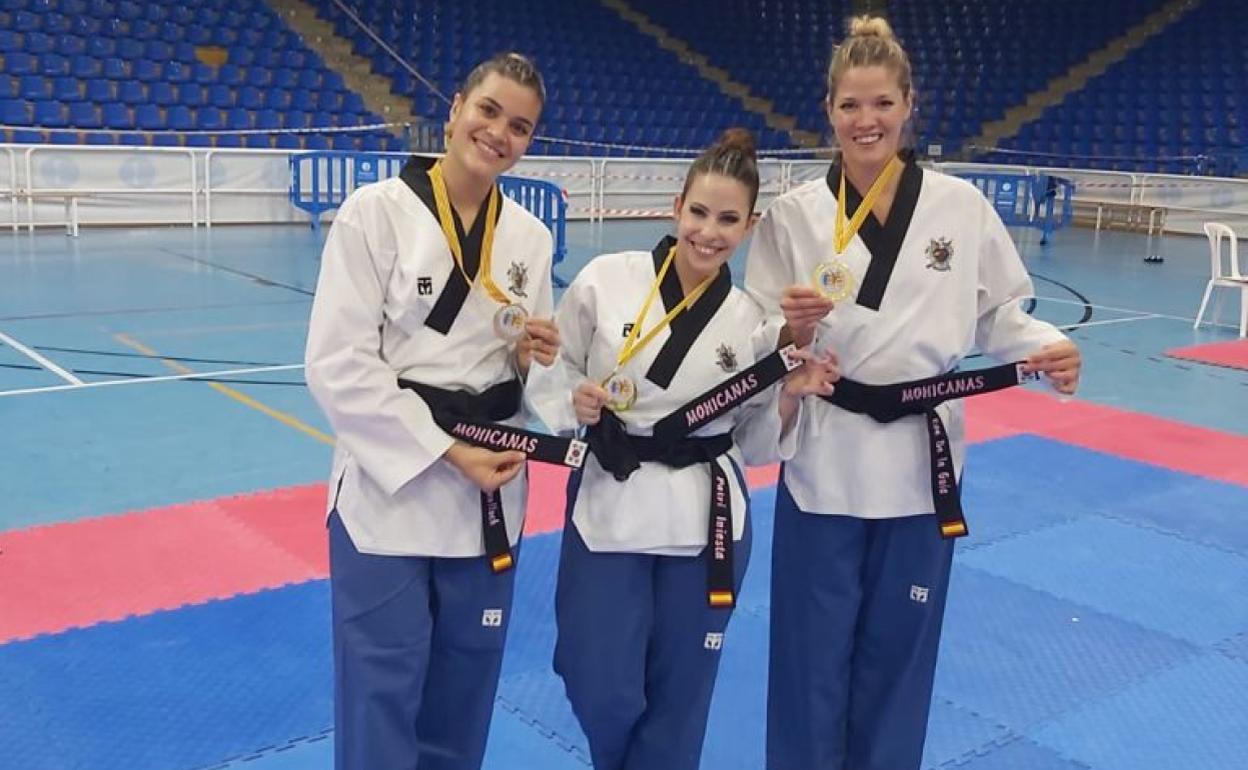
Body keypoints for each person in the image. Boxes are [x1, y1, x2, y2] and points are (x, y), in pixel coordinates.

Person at [743, 16, 1082, 770]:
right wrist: (786, 330)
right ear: (827, 109)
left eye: (882, 104)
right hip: (826, 460)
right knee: (810, 658)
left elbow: (998, 315)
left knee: (899, 658)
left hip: (922, 467)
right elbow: (757, 332)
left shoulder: (959, 208)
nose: (867, 121)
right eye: (851, 105)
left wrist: (1045, 348)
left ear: (909, 104)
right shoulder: (796, 215)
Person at [526, 129, 838, 770]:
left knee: (682, 691)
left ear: (749, 226)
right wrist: (573, 403)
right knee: (596, 677)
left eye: (728, 219)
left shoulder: (752, 321)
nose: (708, 232)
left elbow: (752, 439)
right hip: (610, 496)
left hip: (705, 515)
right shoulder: (603, 281)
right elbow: (552, 371)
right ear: (677, 207)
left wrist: (789, 394)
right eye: (699, 212)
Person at [304, 52, 562, 770]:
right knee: (380, 696)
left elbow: (525, 375)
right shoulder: (374, 213)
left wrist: (534, 359)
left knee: (463, 694)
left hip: (487, 494)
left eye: (519, 126)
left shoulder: (531, 239)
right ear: (454, 110)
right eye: (488, 111)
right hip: (390, 492)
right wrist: (450, 450)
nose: (498, 133)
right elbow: (337, 364)